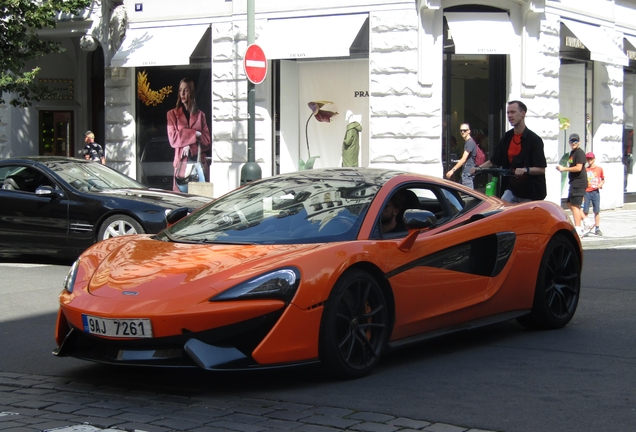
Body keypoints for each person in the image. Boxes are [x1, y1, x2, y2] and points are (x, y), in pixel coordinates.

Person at [470, 100, 547, 202]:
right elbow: (494, 160)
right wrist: (478, 168)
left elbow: (541, 169)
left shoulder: (534, 140)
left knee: (525, 216)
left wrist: (526, 170)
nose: (510, 115)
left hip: (530, 191)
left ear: (523, 114)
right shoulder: (507, 137)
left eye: (513, 112)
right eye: (508, 113)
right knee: (503, 206)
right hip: (512, 188)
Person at [167, 77, 211, 193]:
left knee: (200, 201)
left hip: (198, 166)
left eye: (186, 90)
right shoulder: (171, 114)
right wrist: (195, 134)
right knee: (180, 202)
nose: (182, 93)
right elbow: (173, 139)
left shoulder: (200, 115)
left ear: (191, 91)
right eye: (180, 90)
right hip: (181, 167)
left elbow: (207, 142)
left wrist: (189, 145)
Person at [556, 133, 587, 237]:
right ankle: (587, 221)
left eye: (575, 141)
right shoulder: (572, 153)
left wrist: (564, 169)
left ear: (579, 142)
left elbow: (578, 168)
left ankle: (578, 229)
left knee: (575, 206)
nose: (573, 143)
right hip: (573, 182)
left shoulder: (580, 153)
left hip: (579, 182)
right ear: (569, 142)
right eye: (572, 141)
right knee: (569, 203)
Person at [446, 123, 477, 188]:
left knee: (469, 195)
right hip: (466, 172)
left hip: (468, 173)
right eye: (461, 130)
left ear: (469, 131)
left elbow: (464, 159)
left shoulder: (469, 142)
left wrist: (452, 170)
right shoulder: (468, 142)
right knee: (458, 191)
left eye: (465, 130)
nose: (462, 132)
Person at [583, 151, 605, 236]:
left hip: (595, 192)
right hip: (587, 192)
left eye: (591, 159)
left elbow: (603, 179)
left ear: (594, 159)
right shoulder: (585, 170)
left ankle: (597, 228)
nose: (589, 160)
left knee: (596, 211)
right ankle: (586, 228)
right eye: (588, 159)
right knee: (585, 211)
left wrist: (600, 184)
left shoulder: (599, 169)